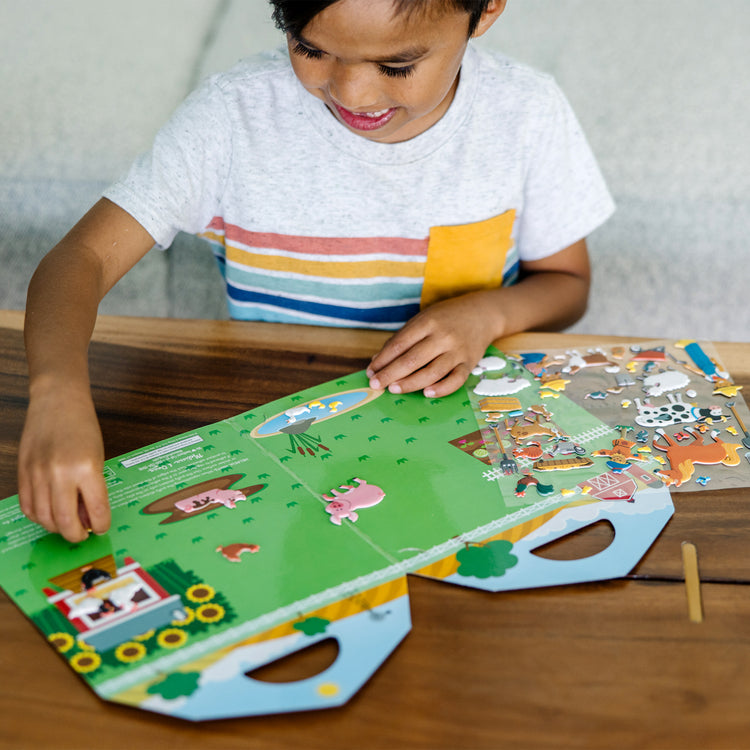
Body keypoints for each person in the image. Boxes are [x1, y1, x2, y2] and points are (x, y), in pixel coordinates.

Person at [18, 0, 615, 542]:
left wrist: (489, 312)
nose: (352, 92)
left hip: (463, 440)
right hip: (280, 431)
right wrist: (57, 394)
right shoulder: (232, 118)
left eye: (398, 65)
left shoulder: (528, 114)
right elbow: (83, 259)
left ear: (485, 11)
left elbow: (567, 283)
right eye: (310, 49)